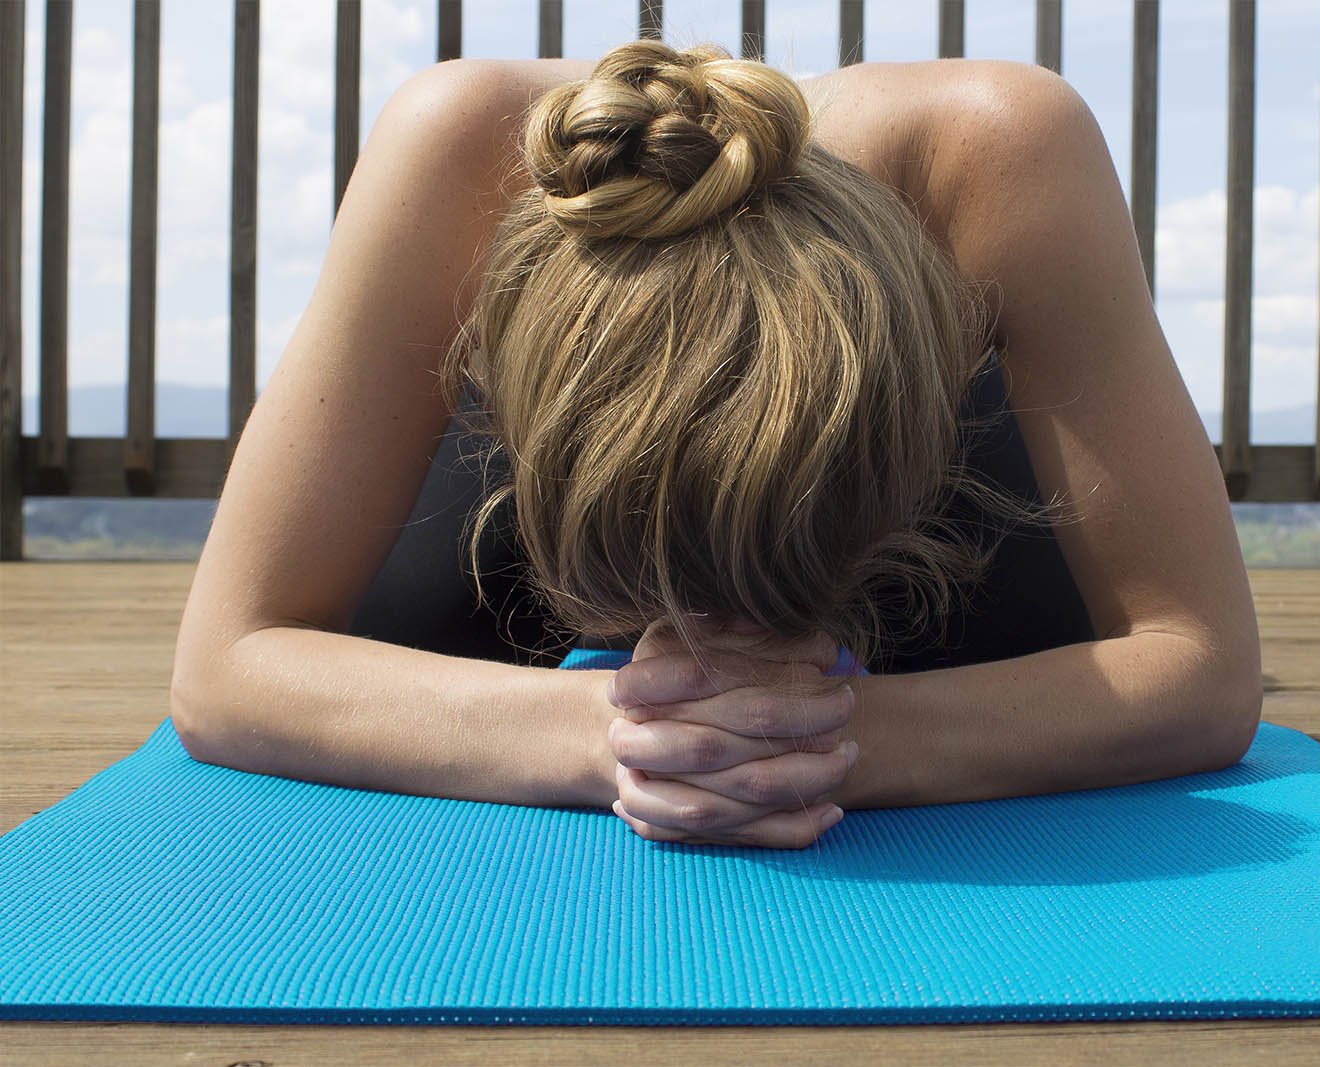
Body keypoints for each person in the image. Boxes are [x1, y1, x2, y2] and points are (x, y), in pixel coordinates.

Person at [169, 40, 1263, 852]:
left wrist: (822, 740)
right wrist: (617, 735)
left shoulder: (997, 147)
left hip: (950, 567)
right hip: (509, 559)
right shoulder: (461, 146)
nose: (715, 642)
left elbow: (1197, 667)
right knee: (413, 612)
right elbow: (230, 661)